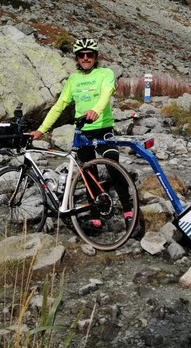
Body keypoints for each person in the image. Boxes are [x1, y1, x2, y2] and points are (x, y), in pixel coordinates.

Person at [30, 37, 133, 228]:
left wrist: (96, 110)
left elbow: (105, 94)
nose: (85, 58)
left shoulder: (105, 73)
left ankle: (128, 211)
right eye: (81, 55)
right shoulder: (73, 79)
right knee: (88, 173)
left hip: (103, 129)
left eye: (89, 55)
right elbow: (59, 105)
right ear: (77, 58)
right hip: (83, 132)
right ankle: (95, 214)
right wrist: (41, 130)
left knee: (114, 168)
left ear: (95, 57)